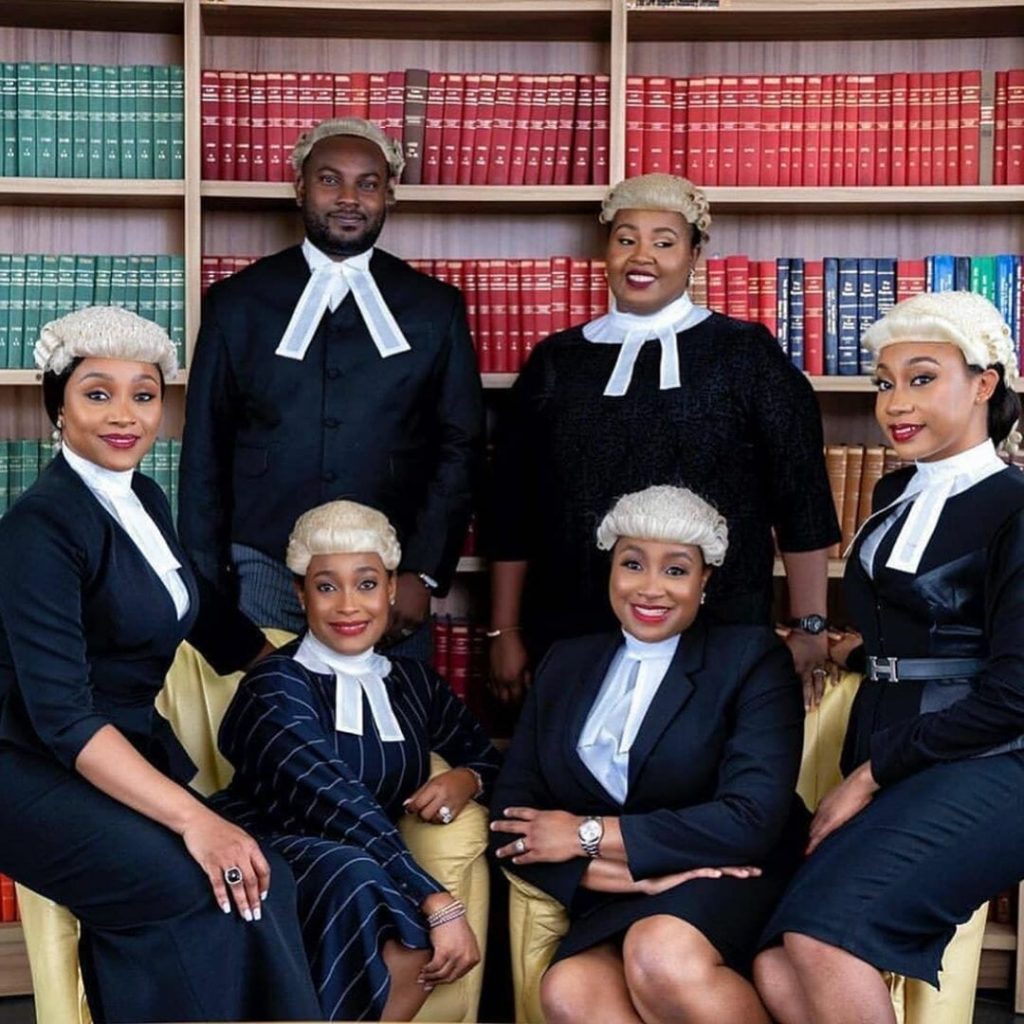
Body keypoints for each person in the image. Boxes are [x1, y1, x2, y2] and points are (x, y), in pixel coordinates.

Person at [0, 307, 322, 1023]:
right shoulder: (37, 529)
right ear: (58, 408)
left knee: (264, 876)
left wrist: (293, 674)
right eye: (98, 393)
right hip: (27, 767)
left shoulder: (141, 496)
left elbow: (196, 606)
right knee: (196, 883)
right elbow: (64, 719)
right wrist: (196, 821)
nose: (125, 416)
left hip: (112, 752)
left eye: (143, 395)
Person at [753, 291, 1024, 1024]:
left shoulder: (1017, 507)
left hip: (994, 763)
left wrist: (872, 775)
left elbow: (1016, 693)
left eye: (922, 378)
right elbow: (926, 623)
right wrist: (855, 650)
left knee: (821, 943)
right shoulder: (895, 489)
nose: (895, 404)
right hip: (892, 744)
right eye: (884, 382)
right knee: (778, 962)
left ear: (984, 384)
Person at [488, 173, 839, 710]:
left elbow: (802, 497)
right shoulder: (556, 361)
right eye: (626, 239)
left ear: (695, 254)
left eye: (664, 242)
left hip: (720, 629)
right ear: (606, 250)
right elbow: (512, 508)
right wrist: (504, 629)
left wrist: (810, 624)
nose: (641, 256)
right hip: (573, 626)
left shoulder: (746, 355)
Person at [490, 484, 808, 1024]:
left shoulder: (751, 658)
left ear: (705, 579)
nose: (651, 588)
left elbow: (751, 819)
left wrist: (588, 834)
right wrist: (634, 877)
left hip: (733, 880)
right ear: (611, 569)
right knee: (569, 990)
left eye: (676, 570)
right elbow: (511, 817)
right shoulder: (564, 663)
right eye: (633, 564)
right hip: (616, 888)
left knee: (660, 954)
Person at [180, 117, 483, 650]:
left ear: (389, 194)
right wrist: (206, 581)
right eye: (329, 180)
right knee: (267, 703)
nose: (349, 198)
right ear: (300, 187)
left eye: (368, 183)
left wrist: (422, 570)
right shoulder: (237, 302)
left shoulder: (435, 307)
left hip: (387, 571)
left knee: (390, 707)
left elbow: (460, 446)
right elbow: (205, 446)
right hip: (262, 565)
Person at [211, 499, 502, 1021]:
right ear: (300, 594)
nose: (349, 605)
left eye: (366, 584)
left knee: (395, 921)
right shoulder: (275, 683)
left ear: (391, 589)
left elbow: (488, 756)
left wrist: (467, 778)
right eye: (327, 587)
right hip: (263, 855)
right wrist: (434, 898)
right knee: (360, 879)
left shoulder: (413, 683)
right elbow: (336, 801)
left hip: (370, 865)